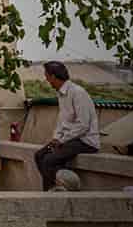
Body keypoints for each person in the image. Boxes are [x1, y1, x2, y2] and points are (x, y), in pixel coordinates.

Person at [33, 61, 99, 190]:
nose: (46, 80)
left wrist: (62, 140)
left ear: (52, 76)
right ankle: (58, 186)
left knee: (49, 161)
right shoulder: (61, 94)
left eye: (46, 76)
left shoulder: (78, 93)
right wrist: (56, 138)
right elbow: (62, 121)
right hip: (70, 139)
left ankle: (54, 193)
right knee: (39, 155)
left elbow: (83, 125)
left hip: (85, 141)